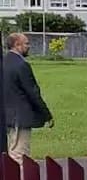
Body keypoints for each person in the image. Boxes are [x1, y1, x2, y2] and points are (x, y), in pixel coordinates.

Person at [2, 32, 54, 163]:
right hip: (19, 117)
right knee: (19, 155)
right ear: (17, 45)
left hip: (6, 115)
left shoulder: (4, 62)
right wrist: (46, 114)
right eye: (26, 43)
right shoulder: (21, 65)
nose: (29, 46)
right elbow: (33, 92)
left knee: (9, 152)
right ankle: (18, 177)